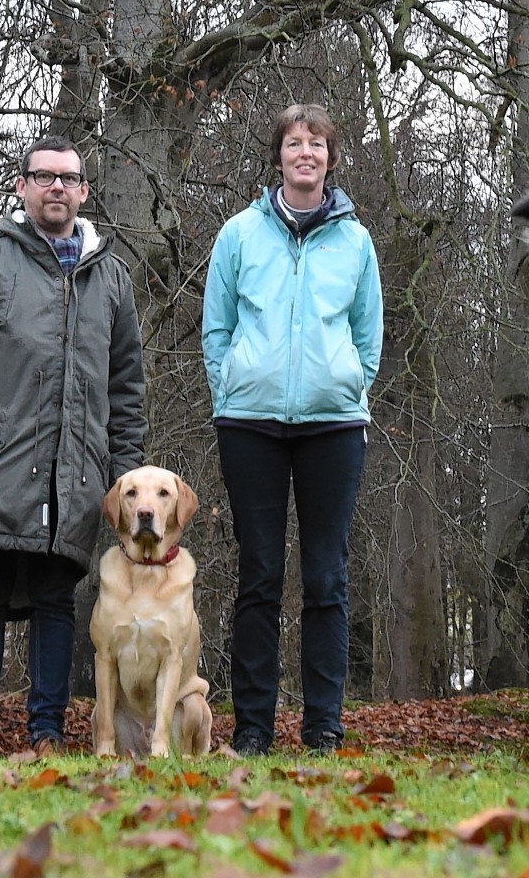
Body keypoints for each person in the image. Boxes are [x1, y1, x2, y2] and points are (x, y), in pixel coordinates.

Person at [0, 135, 147, 760]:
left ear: (84, 192)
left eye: (68, 179)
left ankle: (47, 734)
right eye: (43, 176)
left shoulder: (112, 278)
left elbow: (126, 387)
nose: (56, 188)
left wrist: (124, 477)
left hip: (77, 471)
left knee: (55, 596)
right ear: (21, 186)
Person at [201, 104, 383, 755]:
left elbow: (368, 337)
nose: (304, 153)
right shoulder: (239, 235)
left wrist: (347, 385)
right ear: (277, 156)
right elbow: (217, 329)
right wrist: (231, 389)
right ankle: (251, 728)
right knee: (258, 575)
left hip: (333, 426)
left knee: (326, 578)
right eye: (293, 143)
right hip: (248, 424)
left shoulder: (355, 242)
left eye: (316, 144)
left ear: (331, 158)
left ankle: (323, 727)